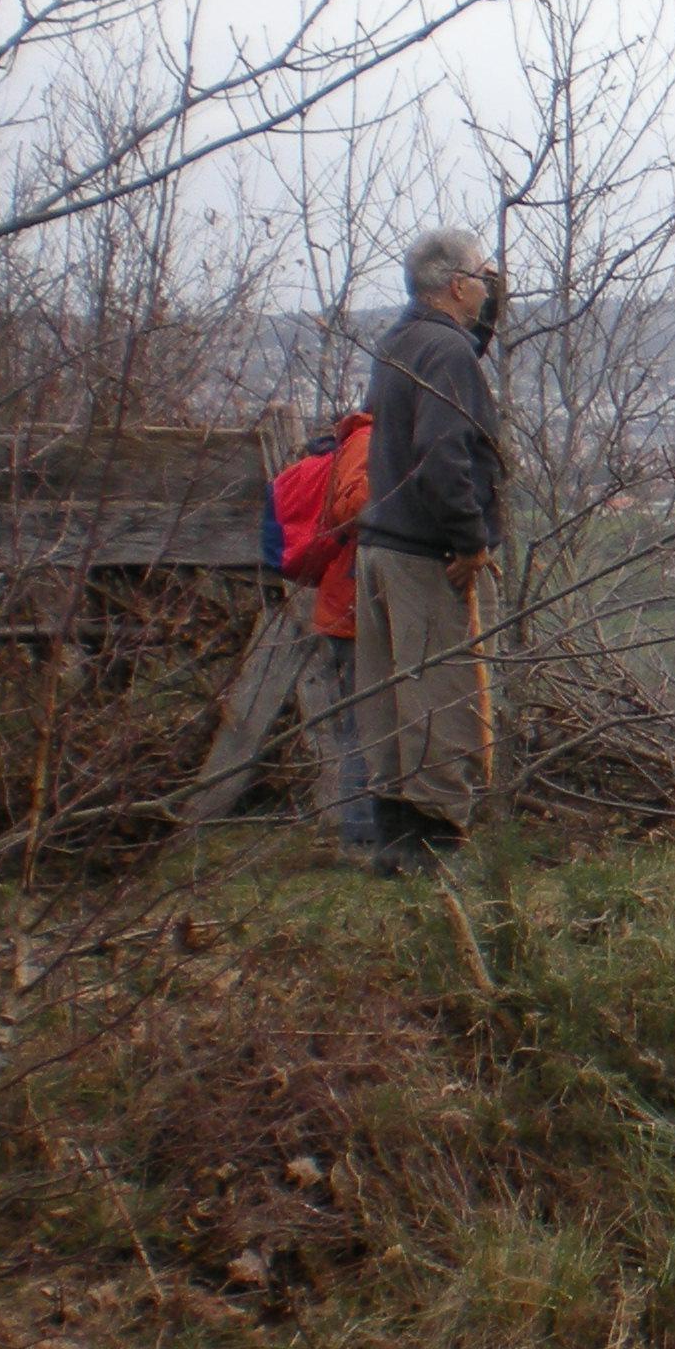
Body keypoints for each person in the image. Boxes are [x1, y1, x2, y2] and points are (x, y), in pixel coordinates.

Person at [351, 227, 506, 877]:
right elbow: (444, 456)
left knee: (390, 701)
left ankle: (396, 847)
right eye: (482, 278)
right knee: (446, 699)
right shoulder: (445, 351)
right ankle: (438, 852)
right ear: (457, 284)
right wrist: (470, 541)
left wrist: (485, 317)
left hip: (381, 546)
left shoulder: (400, 341)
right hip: (429, 554)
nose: (489, 287)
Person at [269, 409, 377, 850]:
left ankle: (362, 828)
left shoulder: (364, 439)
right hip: (352, 608)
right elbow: (353, 507)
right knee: (365, 725)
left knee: (361, 722)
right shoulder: (369, 441)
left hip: (348, 604)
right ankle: (360, 834)